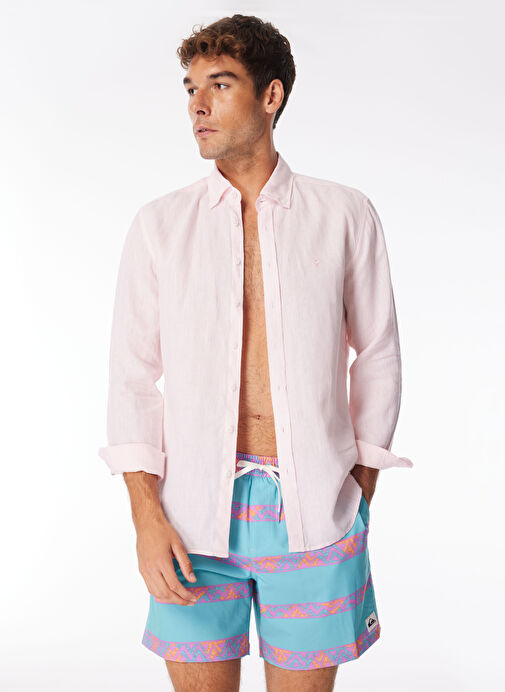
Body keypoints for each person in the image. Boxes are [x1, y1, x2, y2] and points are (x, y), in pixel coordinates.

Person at [98, 14, 413, 692]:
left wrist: (357, 493)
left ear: (271, 96)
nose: (197, 105)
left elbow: (378, 353)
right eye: (190, 89)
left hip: (316, 513)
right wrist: (145, 517)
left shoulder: (343, 213)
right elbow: (131, 378)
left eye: (219, 84)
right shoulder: (159, 225)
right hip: (189, 518)